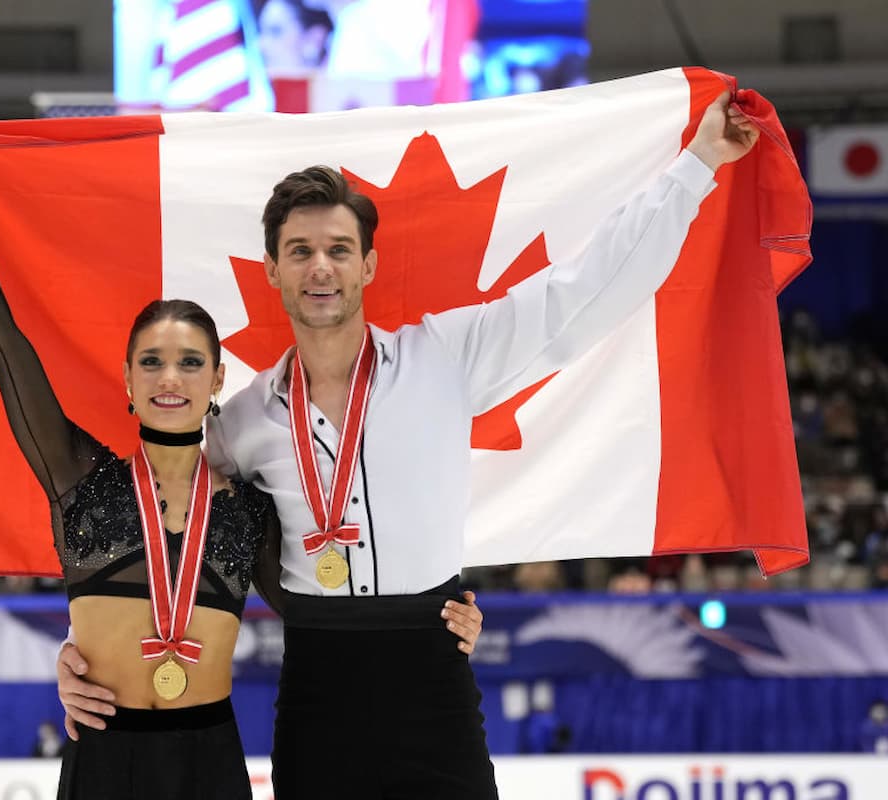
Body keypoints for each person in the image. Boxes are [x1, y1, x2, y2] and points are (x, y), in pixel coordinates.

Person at [59, 91, 759, 798]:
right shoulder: (240, 423)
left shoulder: (445, 358)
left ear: (367, 265)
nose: (320, 268)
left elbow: (583, 293)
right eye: (300, 252)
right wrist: (82, 652)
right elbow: (167, 538)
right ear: (272, 270)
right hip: (317, 692)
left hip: (433, 673)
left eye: (338, 250)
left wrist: (698, 164)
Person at [0, 150, 277, 800]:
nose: (170, 378)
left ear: (218, 379)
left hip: (212, 765)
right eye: (152, 361)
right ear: (128, 379)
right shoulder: (78, 478)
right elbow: (3, 342)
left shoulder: (250, 506)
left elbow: (327, 620)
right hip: (104, 764)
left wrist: (436, 619)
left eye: (191, 362)